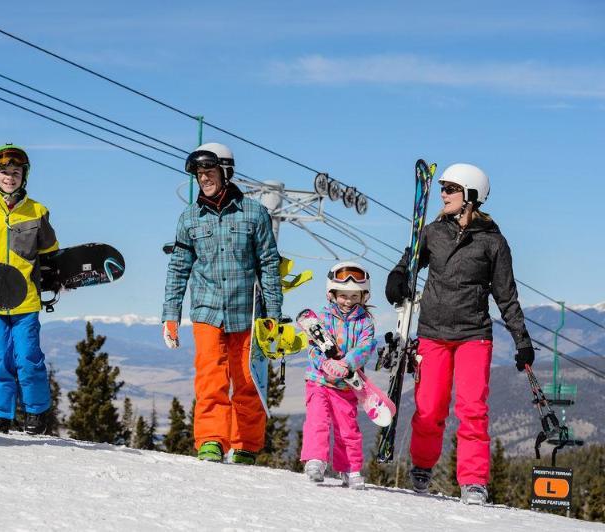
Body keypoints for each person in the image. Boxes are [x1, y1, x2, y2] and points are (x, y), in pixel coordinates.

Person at [385, 163, 535, 505]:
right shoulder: (433, 232)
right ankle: (422, 467)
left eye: (451, 189)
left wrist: (522, 340)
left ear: (470, 195)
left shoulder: (494, 242)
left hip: (473, 335)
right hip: (432, 332)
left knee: (473, 408)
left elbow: (506, 296)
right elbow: (409, 261)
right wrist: (397, 277)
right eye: (442, 188)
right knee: (430, 407)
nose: (443, 194)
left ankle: (474, 481)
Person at [162, 142, 283, 464]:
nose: (204, 179)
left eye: (209, 172)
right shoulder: (189, 218)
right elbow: (178, 267)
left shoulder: (255, 213)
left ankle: (245, 445)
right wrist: (170, 315)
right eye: (199, 174)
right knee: (210, 379)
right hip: (206, 309)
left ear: (226, 171)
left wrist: (274, 316)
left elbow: (269, 265)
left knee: (247, 380)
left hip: (247, 310)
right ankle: (211, 441)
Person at [0, 144, 59, 435]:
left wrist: (54, 280)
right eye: (4, 172)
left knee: (28, 357)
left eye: (16, 172)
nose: (10, 177)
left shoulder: (37, 211)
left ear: (24, 176)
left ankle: (37, 413)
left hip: (25, 301)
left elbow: (51, 252)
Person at [300, 262, 376, 489]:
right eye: (343, 295)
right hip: (319, 381)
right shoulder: (322, 318)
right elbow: (313, 346)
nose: (348, 300)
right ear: (331, 294)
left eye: (354, 296)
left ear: (363, 296)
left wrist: (346, 364)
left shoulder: (365, 322)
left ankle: (350, 468)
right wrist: (325, 364)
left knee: (347, 427)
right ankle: (315, 460)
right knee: (318, 419)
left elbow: (366, 346)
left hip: (345, 385)